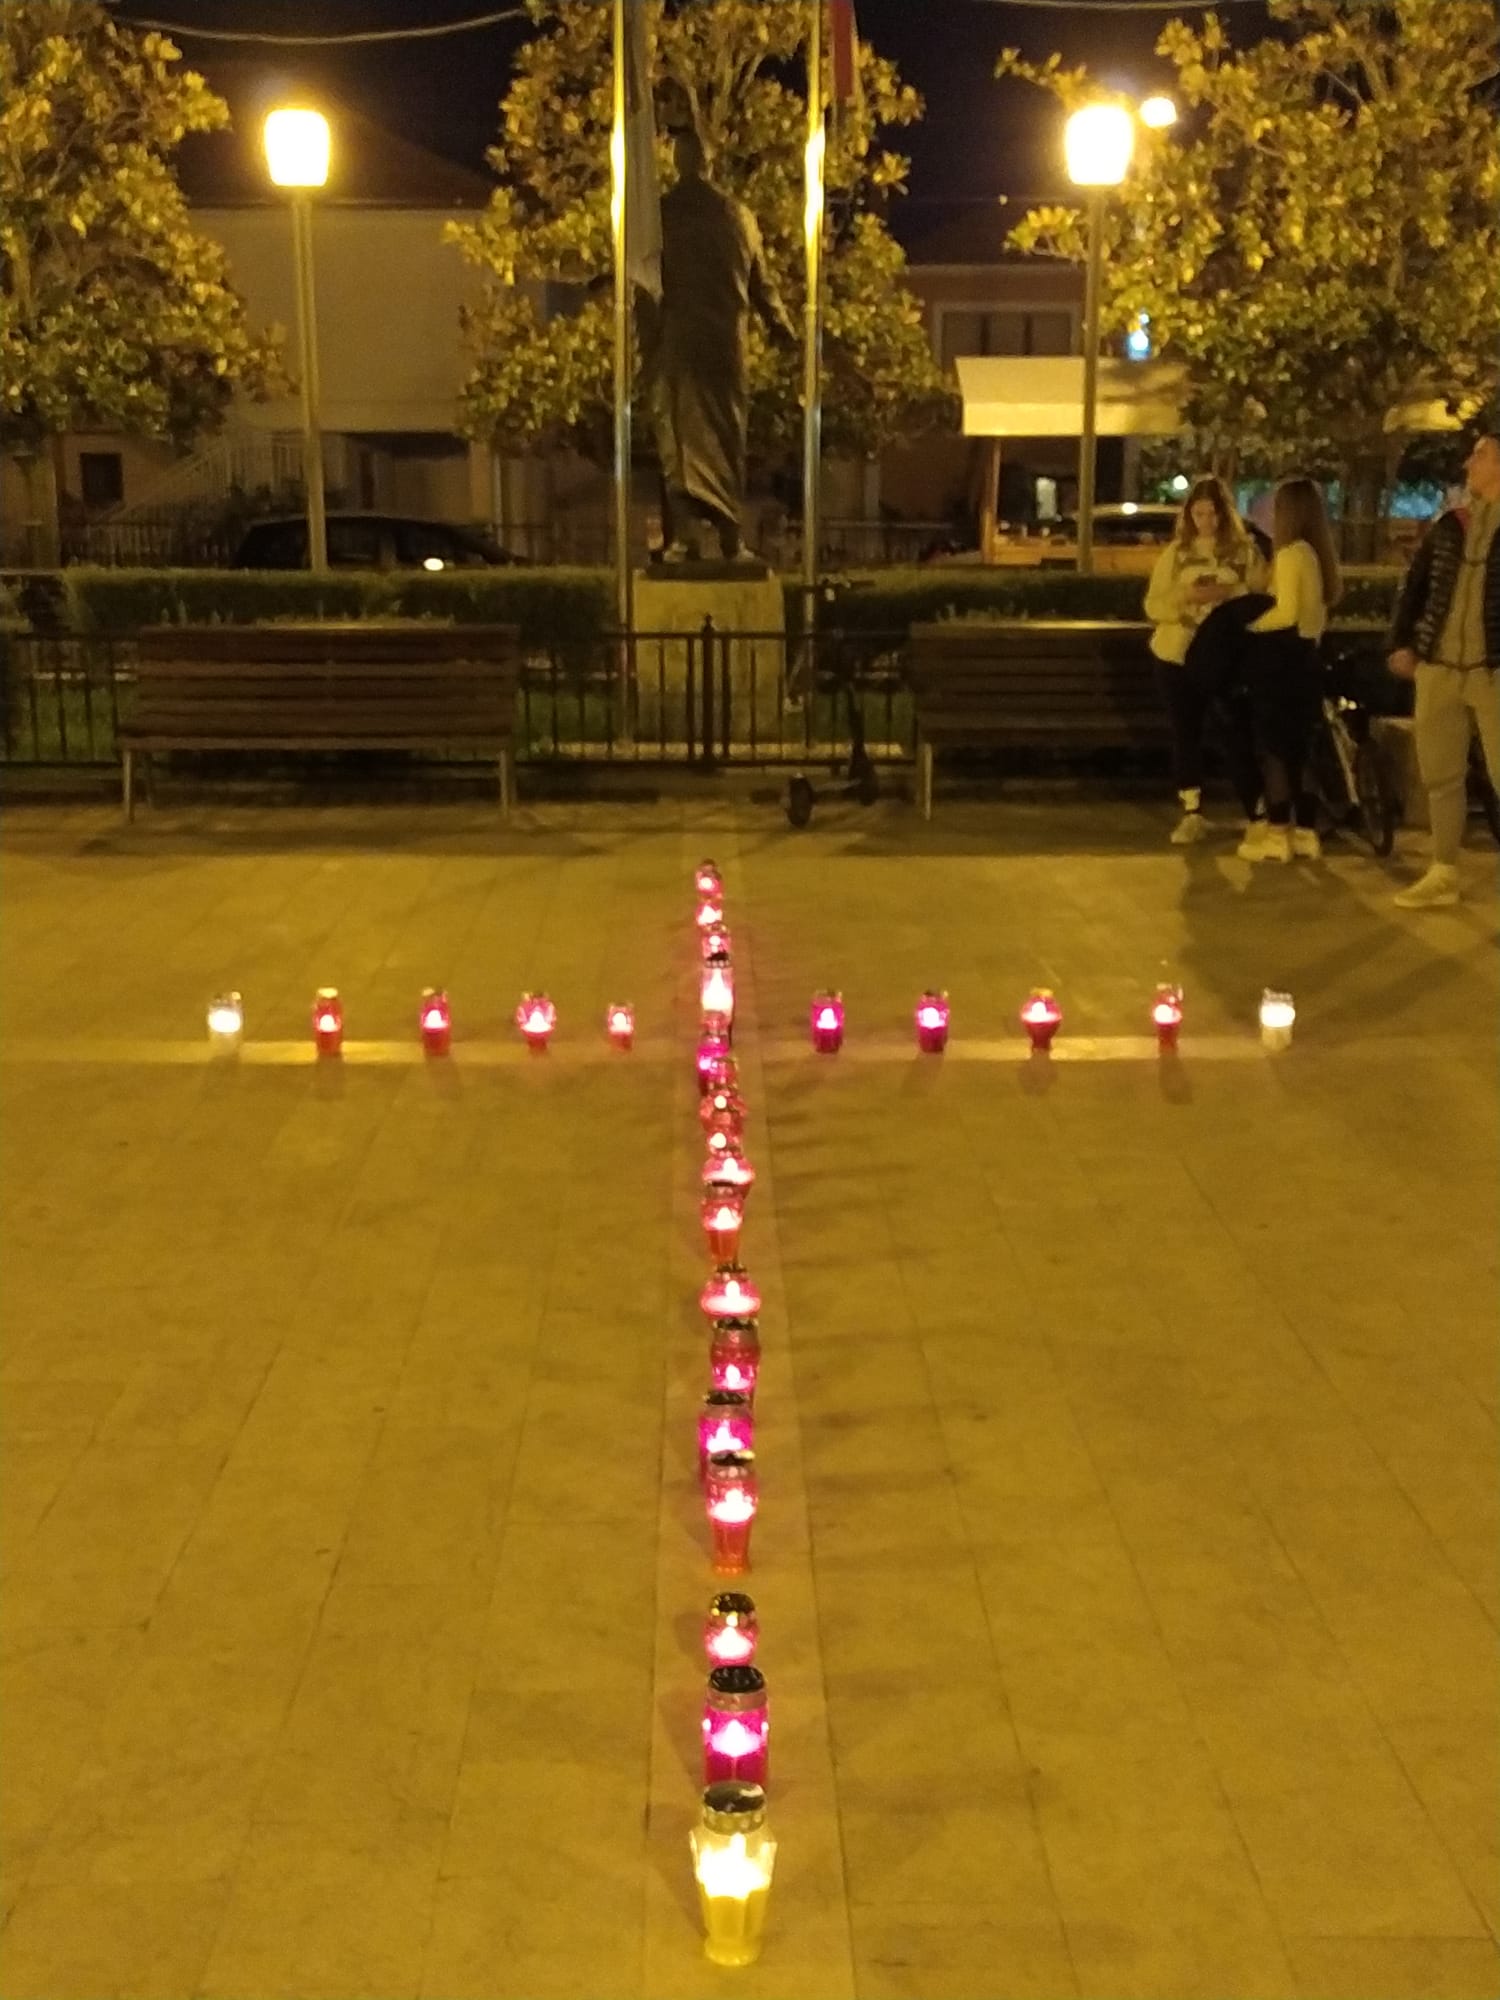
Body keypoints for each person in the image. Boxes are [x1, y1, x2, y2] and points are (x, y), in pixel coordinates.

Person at [638, 127, 796, 563]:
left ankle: (691, 539)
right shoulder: (739, 216)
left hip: (680, 347)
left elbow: (645, 286)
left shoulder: (659, 216)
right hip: (725, 348)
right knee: (725, 438)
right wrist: (781, 327)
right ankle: (728, 540)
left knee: (681, 442)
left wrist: (644, 346)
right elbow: (764, 286)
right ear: (709, 163)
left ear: (678, 162)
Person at [1386, 432, 1500, 908]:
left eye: (1482, 455)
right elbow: (1415, 587)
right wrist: (1402, 643)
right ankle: (1443, 870)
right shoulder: (1451, 525)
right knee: (1441, 775)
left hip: (1492, 670)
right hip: (1439, 666)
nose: (1469, 464)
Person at [1143, 475, 1268, 843]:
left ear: (1224, 514)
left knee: (1235, 730)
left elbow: (1262, 598)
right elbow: (1153, 604)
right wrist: (1185, 599)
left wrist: (1230, 592)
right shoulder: (1176, 554)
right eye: (1198, 514)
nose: (1206, 522)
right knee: (1186, 732)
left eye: (1212, 514)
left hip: (1225, 656)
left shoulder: (1245, 553)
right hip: (1177, 653)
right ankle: (1191, 810)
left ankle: (1257, 811)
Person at [1234, 477, 1342, 863]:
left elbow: (1286, 612)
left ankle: (1278, 831)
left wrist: (1250, 626)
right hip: (1307, 660)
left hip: (1280, 662)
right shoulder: (1317, 556)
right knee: (1302, 749)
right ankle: (1306, 830)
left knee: (1275, 749)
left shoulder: (1291, 554)